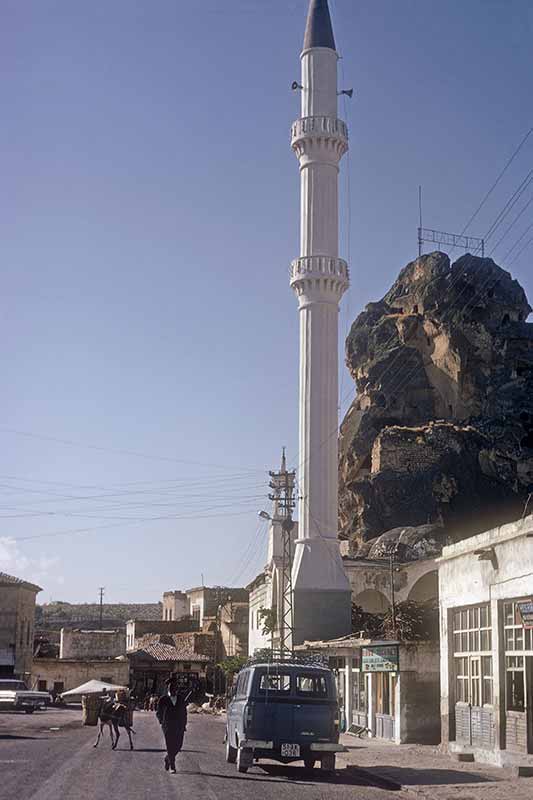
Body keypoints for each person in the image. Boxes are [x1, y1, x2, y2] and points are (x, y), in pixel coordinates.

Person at [156, 676, 187, 773]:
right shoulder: (163, 700)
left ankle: (167, 758)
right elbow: (158, 712)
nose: (172, 689)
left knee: (178, 745)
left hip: (179, 726)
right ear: (168, 688)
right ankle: (172, 766)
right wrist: (162, 722)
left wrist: (184, 724)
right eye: (170, 687)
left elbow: (184, 712)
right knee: (169, 745)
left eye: (174, 687)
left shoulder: (181, 699)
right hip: (167, 726)